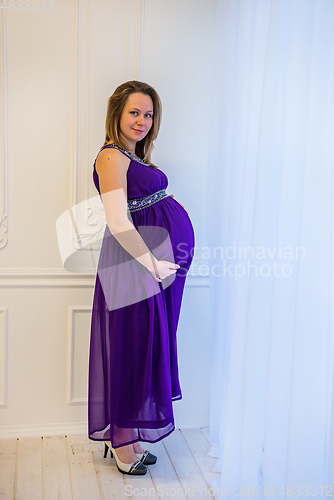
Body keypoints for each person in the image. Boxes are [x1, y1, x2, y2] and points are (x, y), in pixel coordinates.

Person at [88, 80, 195, 476]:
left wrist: (167, 204)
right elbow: (118, 220)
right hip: (134, 265)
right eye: (134, 112)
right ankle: (120, 440)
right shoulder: (111, 156)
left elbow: (139, 202)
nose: (142, 121)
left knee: (144, 348)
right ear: (116, 112)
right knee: (131, 348)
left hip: (152, 264)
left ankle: (128, 434)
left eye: (148, 114)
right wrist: (151, 263)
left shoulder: (135, 158)